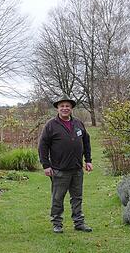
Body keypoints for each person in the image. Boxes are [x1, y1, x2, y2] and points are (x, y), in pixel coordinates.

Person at [38, 95, 93, 234]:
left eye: (67, 106)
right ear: (57, 108)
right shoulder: (51, 125)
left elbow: (86, 141)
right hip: (59, 170)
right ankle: (57, 223)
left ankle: (79, 223)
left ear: (71, 108)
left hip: (76, 169)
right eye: (62, 106)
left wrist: (88, 160)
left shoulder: (78, 123)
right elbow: (42, 146)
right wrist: (46, 165)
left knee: (77, 197)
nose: (65, 108)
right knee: (57, 198)